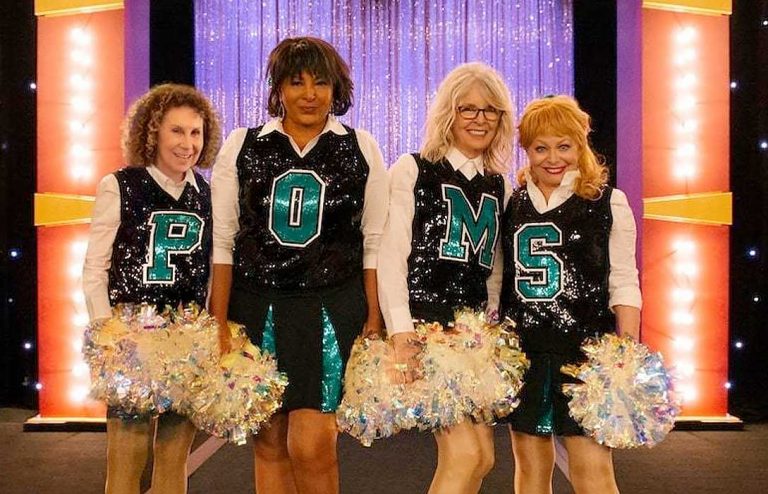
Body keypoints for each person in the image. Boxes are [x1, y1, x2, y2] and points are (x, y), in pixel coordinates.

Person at [209, 37, 388, 494]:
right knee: (268, 442)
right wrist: (218, 322)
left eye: (321, 83)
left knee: (312, 444)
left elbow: (373, 243)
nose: (309, 94)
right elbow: (223, 242)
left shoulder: (361, 147)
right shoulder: (242, 144)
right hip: (256, 305)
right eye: (296, 82)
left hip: (331, 307)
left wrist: (375, 315)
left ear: (336, 89)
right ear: (278, 89)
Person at [377, 62, 515, 494]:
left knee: (484, 457)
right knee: (465, 455)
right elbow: (391, 256)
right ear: (448, 114)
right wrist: (401, 331)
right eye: (467, 108)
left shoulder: (499, 185)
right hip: (427, 330)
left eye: (490, 110)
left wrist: (490, 325)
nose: (479, 119)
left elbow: (494, 268)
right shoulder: (413, 169)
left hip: (472, 336)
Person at [82, 83, 221, 494]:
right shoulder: (120, 185)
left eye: (195, 133)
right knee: (126, 459)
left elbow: (211, 271)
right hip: (132, 338)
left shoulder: (207, 194)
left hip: (187, 338)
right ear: (152, 132)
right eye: (177, 131)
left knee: (175, 458)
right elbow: (95, 267)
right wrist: (106, 331)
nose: (187, 144)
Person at [499, 95, 642, 494]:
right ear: (527, 150)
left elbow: (624, 280)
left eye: (563, 146)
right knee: (530, 466)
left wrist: (625, 350)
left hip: (584, 353)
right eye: (540, 148)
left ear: (581, 145)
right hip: (525, 351)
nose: (552, 158)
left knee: (592, 470)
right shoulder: (513, 202)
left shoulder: (608, 201)